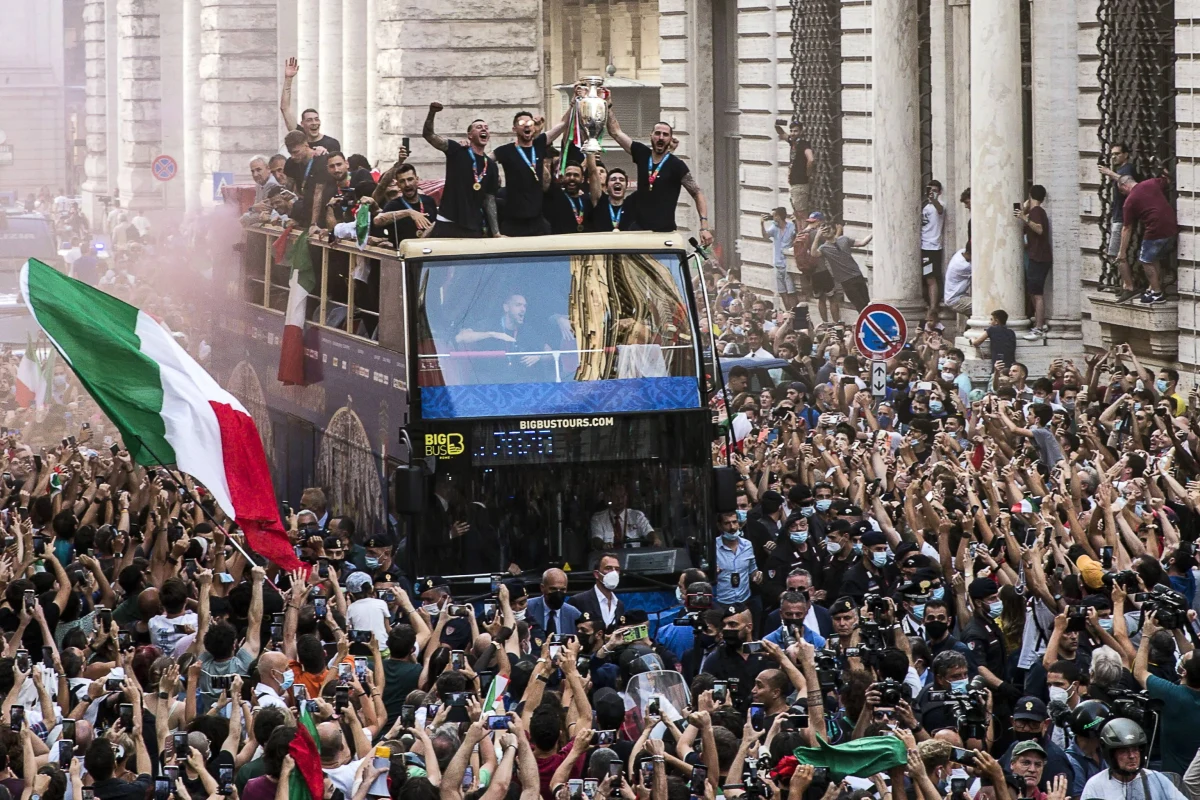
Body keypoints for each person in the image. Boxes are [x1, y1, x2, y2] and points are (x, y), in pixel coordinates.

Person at [605, 109, 713, 245]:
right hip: (640, 232)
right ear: (651, 136)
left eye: (665, 135)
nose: (661, 137)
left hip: (664, 235)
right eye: (657, 133)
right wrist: (609, 106)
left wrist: (704, 227)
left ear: (670, 139)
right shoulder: (642, 153)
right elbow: (615, 132)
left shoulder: (676, 165)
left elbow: (697, 193)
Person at [1134, 612, 1200, 775]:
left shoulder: (1172, 695)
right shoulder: (1179, 692)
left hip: (1176, 780)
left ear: (1183, 671)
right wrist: (1176, 628)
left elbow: (1139, 672)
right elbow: (1195, 659)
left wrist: (1146, 635)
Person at [422, 102, 500, 237]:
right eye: (479, 127)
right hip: (447, 221)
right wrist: (432, 113)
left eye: (486, 128)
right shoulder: (457, 150)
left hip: (473, 225)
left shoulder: (491, 165)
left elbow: (489, 200)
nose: (484, 130)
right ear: (469, 135)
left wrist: (496, 232)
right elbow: (429, 135)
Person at [1080, 718, 1186, 800]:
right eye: (1124, 751)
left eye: (1135, 750)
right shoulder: (1095, 785)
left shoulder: (1157, 779)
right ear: (1111, 755)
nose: (1131, 756)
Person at [1115, 172, 1177, 306]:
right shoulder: (1152, 183)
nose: (1123, 194)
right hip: (1172, 227)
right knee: (1154, 258)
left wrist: (1122, 251)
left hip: (1155, 230)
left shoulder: (1130, 201)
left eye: (1122, 191)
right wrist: (1165, 170)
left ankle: (1157, 293)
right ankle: (1153, 289)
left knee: (1145, 261)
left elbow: (1127, 228)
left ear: (1124, 186)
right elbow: (1167, 180)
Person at [492, 111, 552, 236]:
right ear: (514, 129)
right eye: (521, 122)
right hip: (513, 222)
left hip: (537, 222)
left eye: (529, 122)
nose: (526, 125)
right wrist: (467, 147)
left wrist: (573, 106)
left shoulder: (539, 144)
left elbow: (562, 125)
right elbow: (483, 160)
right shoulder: (505, 150)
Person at [1096, 144, 1139, 302]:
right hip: (1118, 216)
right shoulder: (1122, 169)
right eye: (1112, 154)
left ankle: (1129, 286)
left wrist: (1109, 173)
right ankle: (1125, 285)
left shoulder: (1127, 169)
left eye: (1117, 154)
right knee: (1117, 253)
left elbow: (1130, 184)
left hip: (1122, 218)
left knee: (1116, 253)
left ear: (1126, 154)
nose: (1113, 157)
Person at [279, 58, 340, 153]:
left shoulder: (332, 143)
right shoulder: (299, 137)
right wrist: (288, 79)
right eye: (309, 120)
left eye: (316, 119)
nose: (314, 123)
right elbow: (285, 108)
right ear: (302, 124)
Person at [811, 221, 873, 312]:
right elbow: (813, 254)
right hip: (846, 281)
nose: (827, 231)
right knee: (860, 306)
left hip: (857, 276)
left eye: (828, 228)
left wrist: (874, 232)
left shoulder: (844, 239)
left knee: (867, 304)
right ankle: (866, 319)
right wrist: (817, 236)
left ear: (834, 230)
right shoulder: (824, 248)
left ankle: (871, 319)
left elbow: (862, 243)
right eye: (824, 230)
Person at [1016, 184, 1052, 339]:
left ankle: (1039, 328)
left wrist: (1024, 217)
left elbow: (1039, 229)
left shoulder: (1037, 211)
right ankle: (1039, 321)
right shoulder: (1035, 211)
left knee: (1037, 294)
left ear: (1030, 195)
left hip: (1039, 258)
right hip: (1036, 257)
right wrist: (1024, 210)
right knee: (1033, 291)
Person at [374, 162, 437, 246]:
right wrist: (408, 212)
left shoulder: (429, 201)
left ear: (417, 180)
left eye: (410, 179)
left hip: (427, 250)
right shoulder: (394, 205)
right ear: (398, 185)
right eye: (402, 181)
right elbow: (377, 221)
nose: (407, 184)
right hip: (403, 252)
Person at [588, 484, 655, 550]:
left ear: (626, 497)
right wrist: (603, 545)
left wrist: (655, 539)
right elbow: (596, 539)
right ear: (610, 498)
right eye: (616, 497)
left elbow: (649, 531)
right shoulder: (598, 518)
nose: (620, 500)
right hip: (609, 555)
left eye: (622, 497)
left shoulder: (637, 516)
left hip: (632, 555)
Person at [568, 552, 624, 628]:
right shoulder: (578, 601)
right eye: (608, 568)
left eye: (617, 569)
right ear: (596, 574)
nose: (613, 573)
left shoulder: (619, 605)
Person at [526, 568, 579, 639]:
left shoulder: (574, 614)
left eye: (562, 589)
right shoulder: (528, 608)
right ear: (542, 588)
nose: (558, 593)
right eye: (553, 589)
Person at [776, 119, 815, 219]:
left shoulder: (803, 144)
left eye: (796, 131)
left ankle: (803, 229)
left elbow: (811, 159)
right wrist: (776, 125)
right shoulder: (793, 142)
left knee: (801, 213)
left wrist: (808, 173)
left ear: (801, 132)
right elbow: (782, 133)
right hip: (793, 184)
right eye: (791, 131)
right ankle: (799, 229)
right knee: (796, 213)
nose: (793, 133)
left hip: (800, 184)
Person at [761, 207, 798, 309]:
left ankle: (794, 311)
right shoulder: (774, 227)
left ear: (778, 216)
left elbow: (797, 237)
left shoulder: (791, 227)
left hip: (787, 264)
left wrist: (796, 223)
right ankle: (788, 312)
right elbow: (765, 236)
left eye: (774, 216)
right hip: (778, 263)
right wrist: (762, 224)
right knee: (782, 291)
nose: (772, 218)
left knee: (791, 291)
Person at [921, 180, 945, 327]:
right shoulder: (926, 206)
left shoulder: (939, 205)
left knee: (931, 277)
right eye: (930, 190)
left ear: (940, 192)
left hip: (932, 246)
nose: (931, 193)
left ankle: (933, 306)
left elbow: (940, 209)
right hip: (923, 245)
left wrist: (934, 199)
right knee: (925, 277)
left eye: (935, 190)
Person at [544, 161, 592, 234]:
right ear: (563, 177)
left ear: (582, 179)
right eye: (568, 175)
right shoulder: (555, 196)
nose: (572, 178)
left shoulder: (588, 200)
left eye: (576, 175)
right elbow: (546, 179)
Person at [943, 242, 972, 319]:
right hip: (955, 300)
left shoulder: (961, 252)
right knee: (980, 307)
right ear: (968, 253)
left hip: (960, 295)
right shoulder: (963, 266)